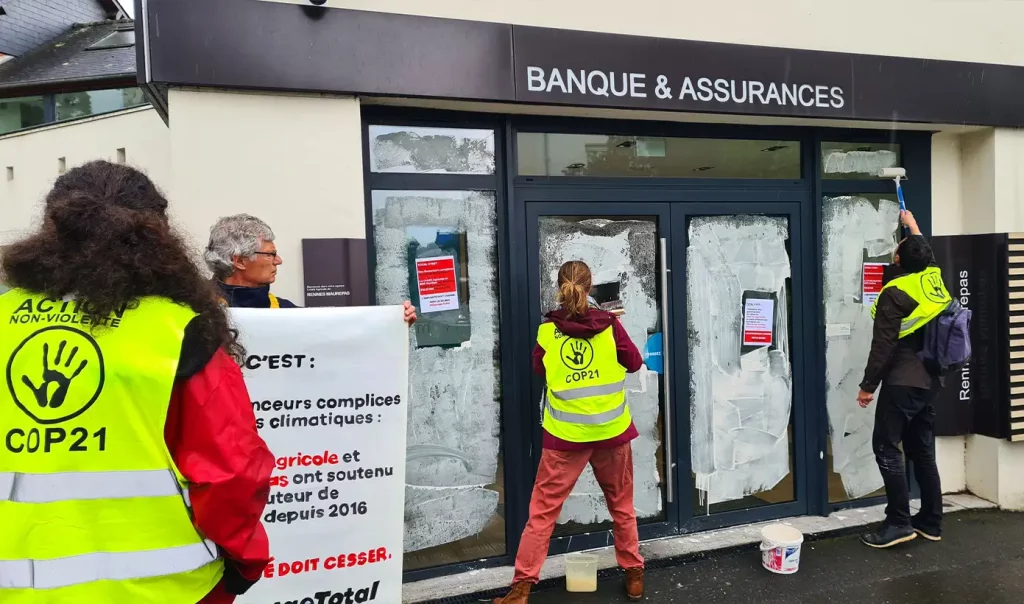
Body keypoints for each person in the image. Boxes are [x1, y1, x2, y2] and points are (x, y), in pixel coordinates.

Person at [0, 161, 274, 603]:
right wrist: (245, 562)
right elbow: (232, 471)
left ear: (52, 229)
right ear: (157, 236)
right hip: (166, 590)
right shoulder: (180, 331)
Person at [494, 261, 645, 604]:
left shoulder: (548, 331)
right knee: (621, 506)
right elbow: (634, 362)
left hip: (565, 439)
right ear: (590, 288)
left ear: (559, 287)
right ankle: (634, 575)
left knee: (542, 513)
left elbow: (538, 368)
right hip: (612, 432)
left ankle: (520, 590)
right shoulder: (610, 326)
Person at [857, 210, 950, 549]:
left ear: (897, 257)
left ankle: (899, 523)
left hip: (903, 381)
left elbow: (883, 346)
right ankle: (931, 522)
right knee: (922, 452)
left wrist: (868, 387)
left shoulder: (894, 293)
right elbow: (924, 250)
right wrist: (912, 225)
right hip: (929, 380)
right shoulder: (932, 276)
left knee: (885, 446)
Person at [205, 214, 417, 324]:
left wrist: (393, 325)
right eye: (270, 254)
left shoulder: (285, 311)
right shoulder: (194, 311)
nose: (278, 261)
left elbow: (344, 338)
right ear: (240, 261)